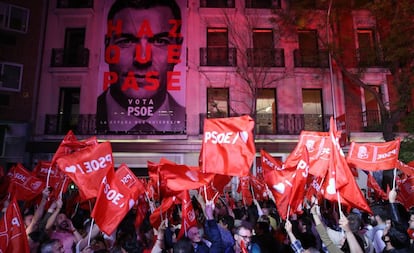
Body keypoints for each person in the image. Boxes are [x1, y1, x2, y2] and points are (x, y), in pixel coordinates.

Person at [96, 0, 186, 133]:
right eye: (126, 41)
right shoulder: (94, 113)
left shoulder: (184, 118)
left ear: (178, 50)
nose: (142, 59)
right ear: (107, 46)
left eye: (160, 41)